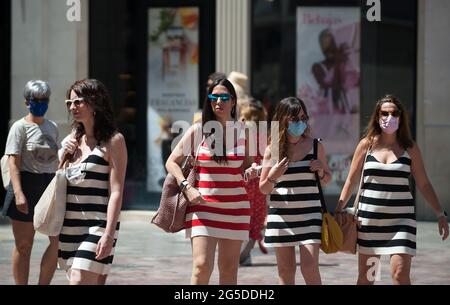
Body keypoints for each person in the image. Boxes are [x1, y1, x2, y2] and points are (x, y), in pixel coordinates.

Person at [335, 95, 449, 285]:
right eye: (385, 113)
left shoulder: (410, 148)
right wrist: (339, 209)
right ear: (377, 116)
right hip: (369, 224)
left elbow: (424, 184)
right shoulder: (366, 145)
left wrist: (440, 213)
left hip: (401, 223)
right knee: (368, 278)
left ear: (402, 117)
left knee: (400, 275)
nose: (389, 116)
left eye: (394, 113)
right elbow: (350, 181)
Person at [165, 78, 259, 285]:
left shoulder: (245, 132)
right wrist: (186, 187)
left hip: (236, 209)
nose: (219, 101)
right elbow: (171, 162)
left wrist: (252, 171)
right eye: (214, 97)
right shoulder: (197, 130)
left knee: (228, 270)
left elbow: (248, 166)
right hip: (202, 207)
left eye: (224, 97)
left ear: (233, 101)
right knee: (201, 267)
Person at [59, 79, 127, 285]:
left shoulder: (114, 141)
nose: (73, 107)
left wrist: (109, 233)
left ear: (95, 102)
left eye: (78, 101)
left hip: (98, 225)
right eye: (69, 103)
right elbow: (59, 182)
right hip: (69, 226)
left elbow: (116, 191)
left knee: (79, 280)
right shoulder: (72, 140)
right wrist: (64, 153)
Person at [259, 97, 332, 285]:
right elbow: (264, 188)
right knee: (285, 271)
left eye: (303, 118)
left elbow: (327, 180)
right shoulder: (272, 149)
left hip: (310, 216)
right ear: (283, 119)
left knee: (309, 267)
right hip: (281, 217)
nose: (300, 123)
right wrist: (273, 175)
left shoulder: (316, 146)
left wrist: (322, 171)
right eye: (294, 119)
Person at [2, 80, 59, 285]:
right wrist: (18, 193)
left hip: (49, 185)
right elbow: (13, 162)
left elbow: (57, 159)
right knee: (24, 245)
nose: (41, 103)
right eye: (37, 100)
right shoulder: (19, 127)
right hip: (26, 183)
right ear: (27, 102)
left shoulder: (52, 127)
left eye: (45, 99)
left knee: (58, 242)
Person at [239, 98, 269, 266]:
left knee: (241, 219)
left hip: (243, 181)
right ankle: (245, 254)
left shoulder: (240, 132)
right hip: (259, 184)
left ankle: (240, 254)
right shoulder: (266, 136)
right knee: (255, 221)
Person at [311, 29, 352, 114]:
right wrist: (338, 61)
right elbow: (326, 82)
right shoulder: (317, 67)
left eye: (331, 44)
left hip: (344, 107)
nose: (328, 49)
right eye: (324, 45)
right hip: (326, 111)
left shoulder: (343, 63)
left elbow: (350, 81)